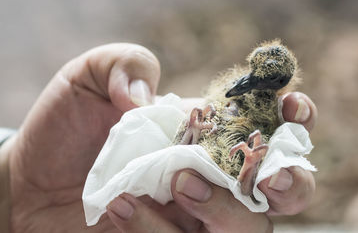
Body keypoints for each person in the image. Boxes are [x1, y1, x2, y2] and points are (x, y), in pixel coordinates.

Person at [0, 43, 317, 233]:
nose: (248, 82)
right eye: (253, 69)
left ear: (279, 82)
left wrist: (15, 185)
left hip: (230, 145)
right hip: (214, 136)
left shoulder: (269, 116)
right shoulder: (235, 95)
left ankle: (246, 170)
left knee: (247, 173)